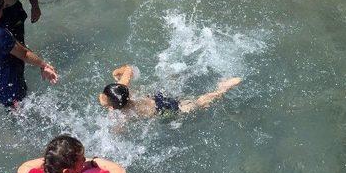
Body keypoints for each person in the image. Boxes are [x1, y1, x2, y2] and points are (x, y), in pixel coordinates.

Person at [99, 65, 242, 116]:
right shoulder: (124, 88)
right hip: (155, 97)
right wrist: (117, 71)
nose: (101, 96)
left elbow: (116, 133)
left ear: (112, 106)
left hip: (163, 109)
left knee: (197, 104)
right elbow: (129, 70)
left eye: (103, 96)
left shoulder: (124, 115)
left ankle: (222, 89)